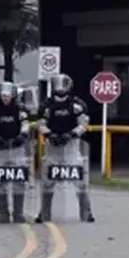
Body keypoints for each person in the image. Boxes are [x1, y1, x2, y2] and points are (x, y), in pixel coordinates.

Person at [36, 73, 95, 223]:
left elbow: (83, 124)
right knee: (48, 181)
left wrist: (73, 134)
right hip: (53, 146)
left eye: (63, 85)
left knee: (79, 179)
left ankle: (86, 212)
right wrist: (49, 134)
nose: (60, 89)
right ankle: (44, 213)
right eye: (57, 85)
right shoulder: (46, 105)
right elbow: (40, 124)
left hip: (71, 146)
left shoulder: (77, 105)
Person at [0, 81, 31, 223]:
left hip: (17, 149)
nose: (5, 98)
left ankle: (18, 213)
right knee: (0, 182)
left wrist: (22, 136)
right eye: (3, 95)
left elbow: (26, 125)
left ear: (13, 95)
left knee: (19, 181)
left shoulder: (21, 111)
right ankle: (3, 213)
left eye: (8, 95)